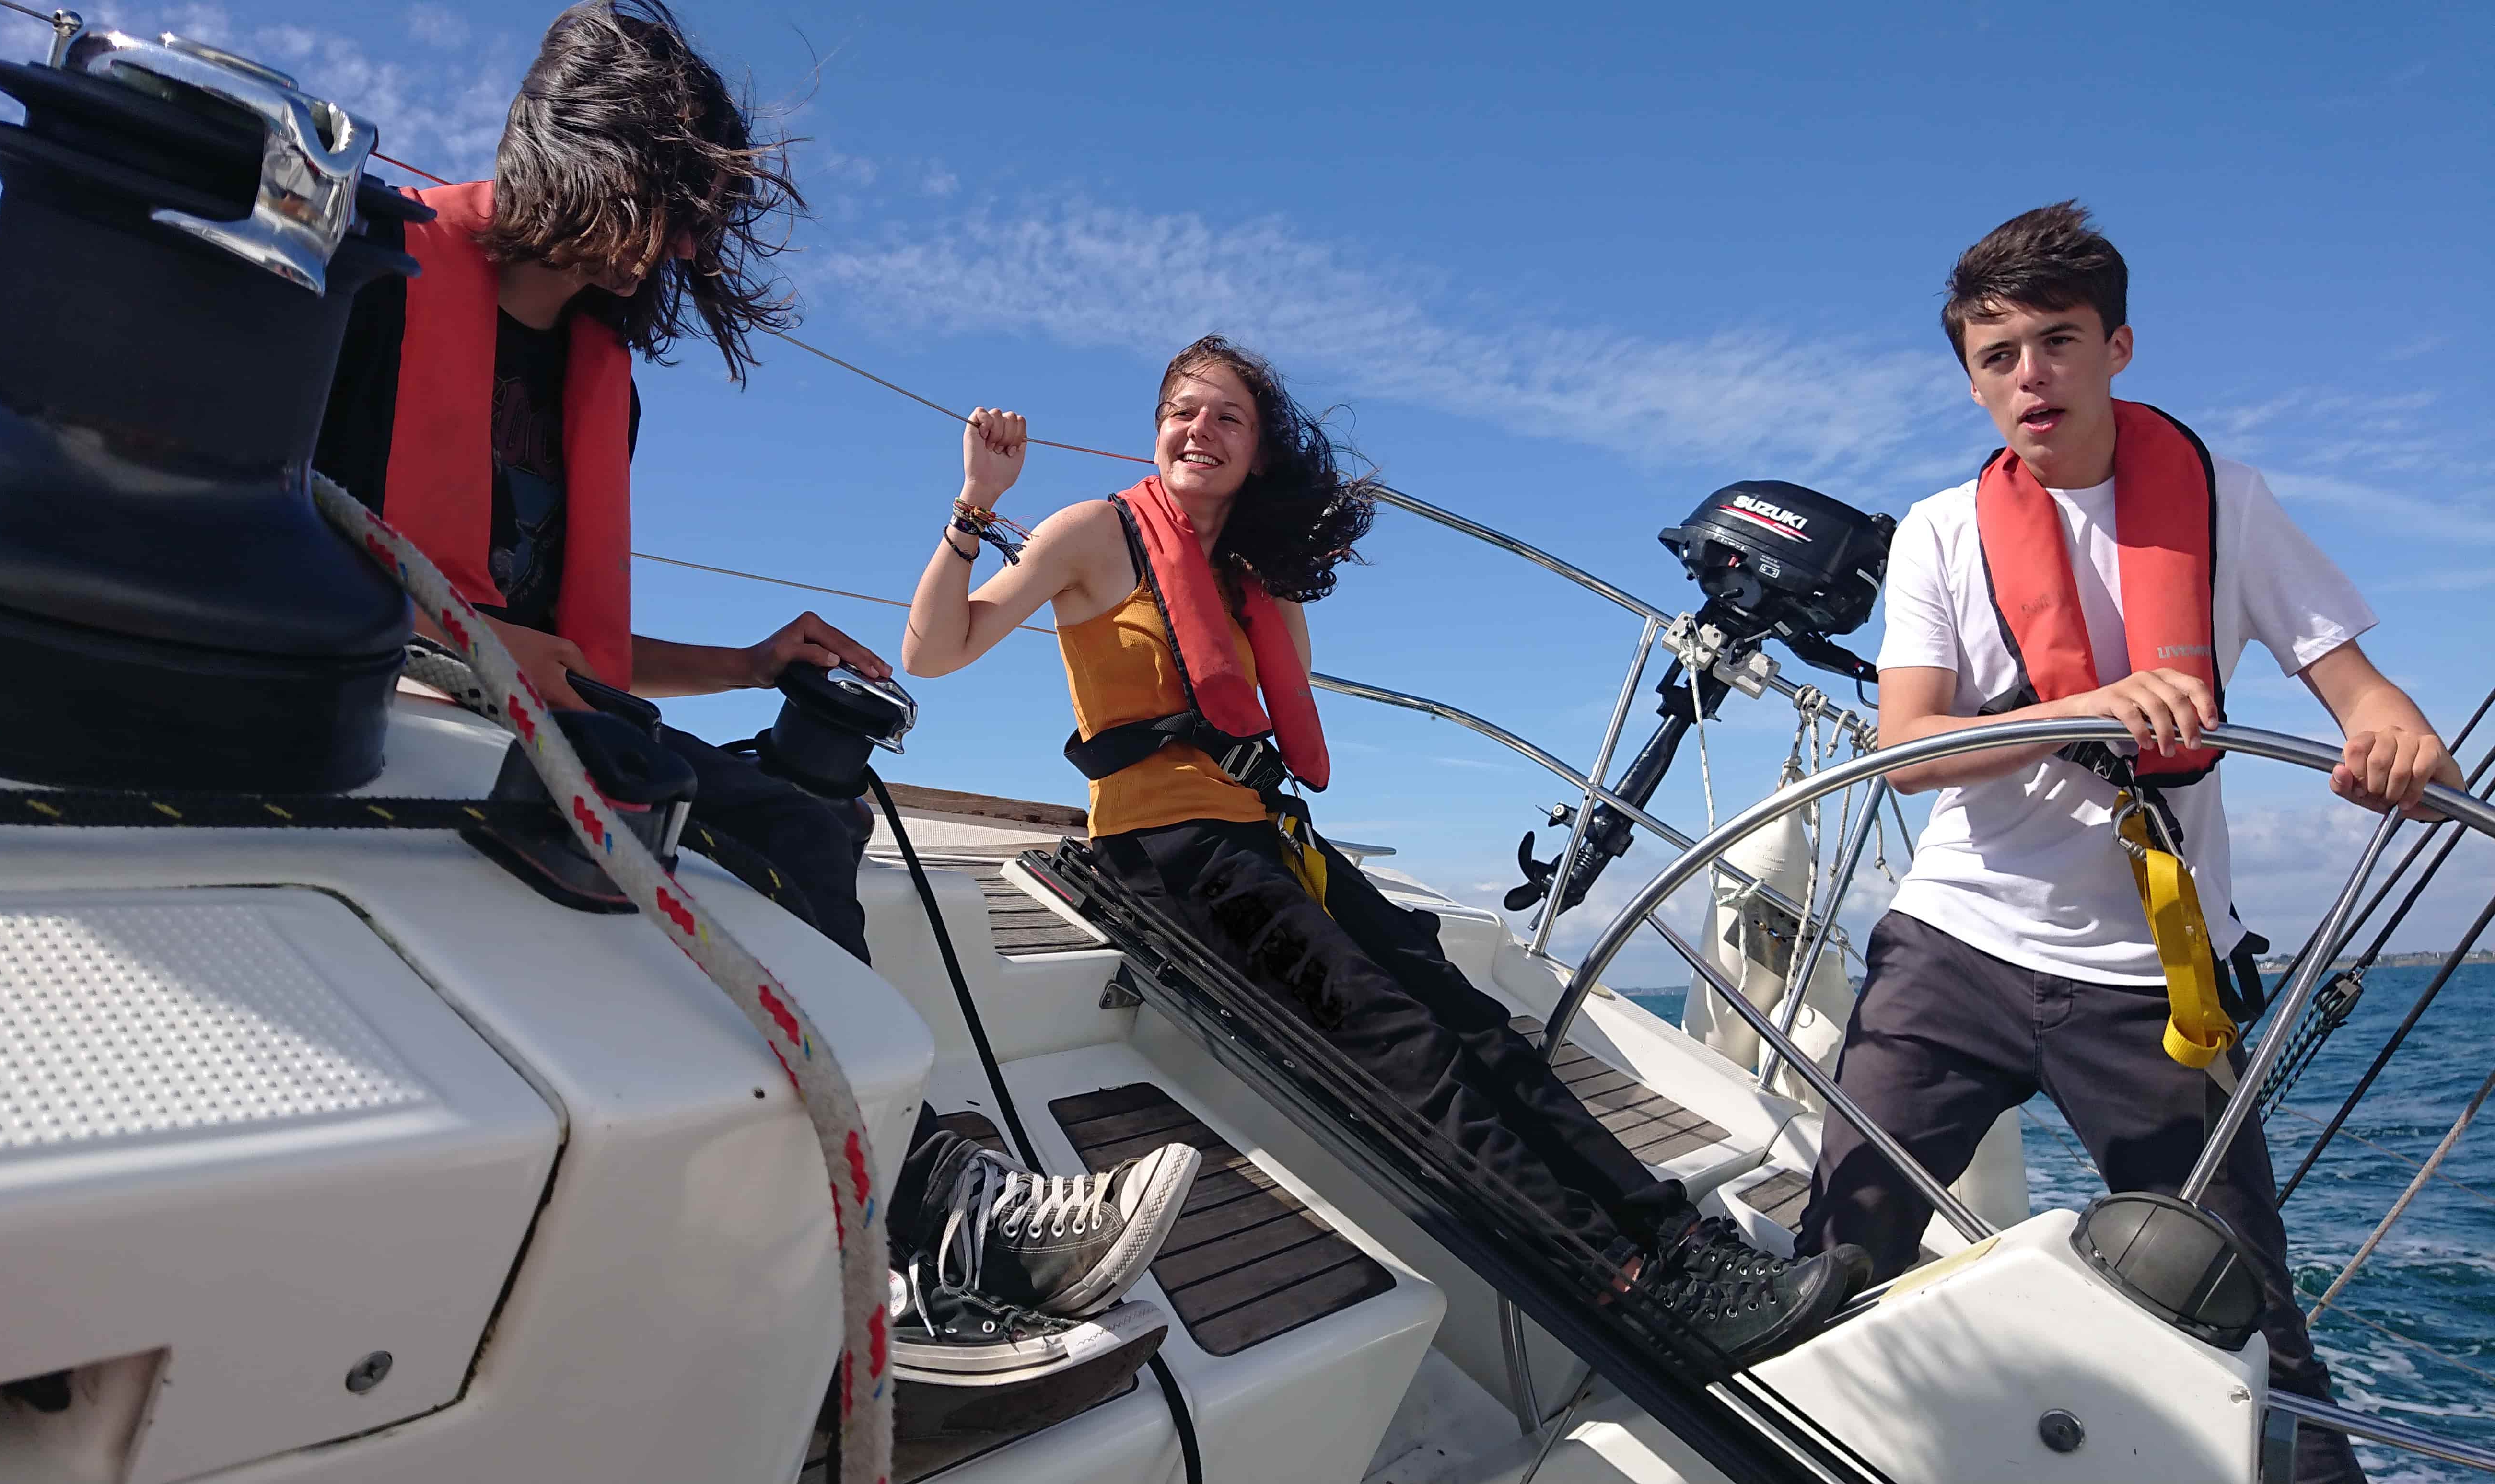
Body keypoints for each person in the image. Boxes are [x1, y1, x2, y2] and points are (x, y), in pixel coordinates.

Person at [309, 0, 1196, 1390]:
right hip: (381, 717)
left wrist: (749, 664)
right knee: (750, 843)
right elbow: (255, 526)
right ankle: (939, 1217)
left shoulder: (602, 380)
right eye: (661, 207)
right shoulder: (360, 275)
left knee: (804, 821)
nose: (674, 249)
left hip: (543, 723)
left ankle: (916, 1206)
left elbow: (570, 644)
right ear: (579, 159)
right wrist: (447, 648)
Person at [902, 335, 1869, 1369]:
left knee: (1480, 1028)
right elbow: (936, 651)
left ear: (1258, 452)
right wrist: (974, 507)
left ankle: (1674, 1236)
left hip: (1266, 837)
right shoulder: (1091, 533)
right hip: (1169, 850)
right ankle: (1631, 1280)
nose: (1200, 430)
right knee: (1406, 1048)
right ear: (1156, 432)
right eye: (1183, 410)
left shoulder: (1253, 581)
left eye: (1228, 416)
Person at [1796, 201, 2461, 1484]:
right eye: (1998, 357)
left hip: (2150, 985)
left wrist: (2397, 739)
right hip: (1957, 952)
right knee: (1836, 1253)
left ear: (2119, 348)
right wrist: (2079, 709)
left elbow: (2365, 695)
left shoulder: (2228, 504)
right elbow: (1913, 747)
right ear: (1973, 378)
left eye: (2057, 342)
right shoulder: (1938, 530)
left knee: (2251, 1330)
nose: (2030, 377)